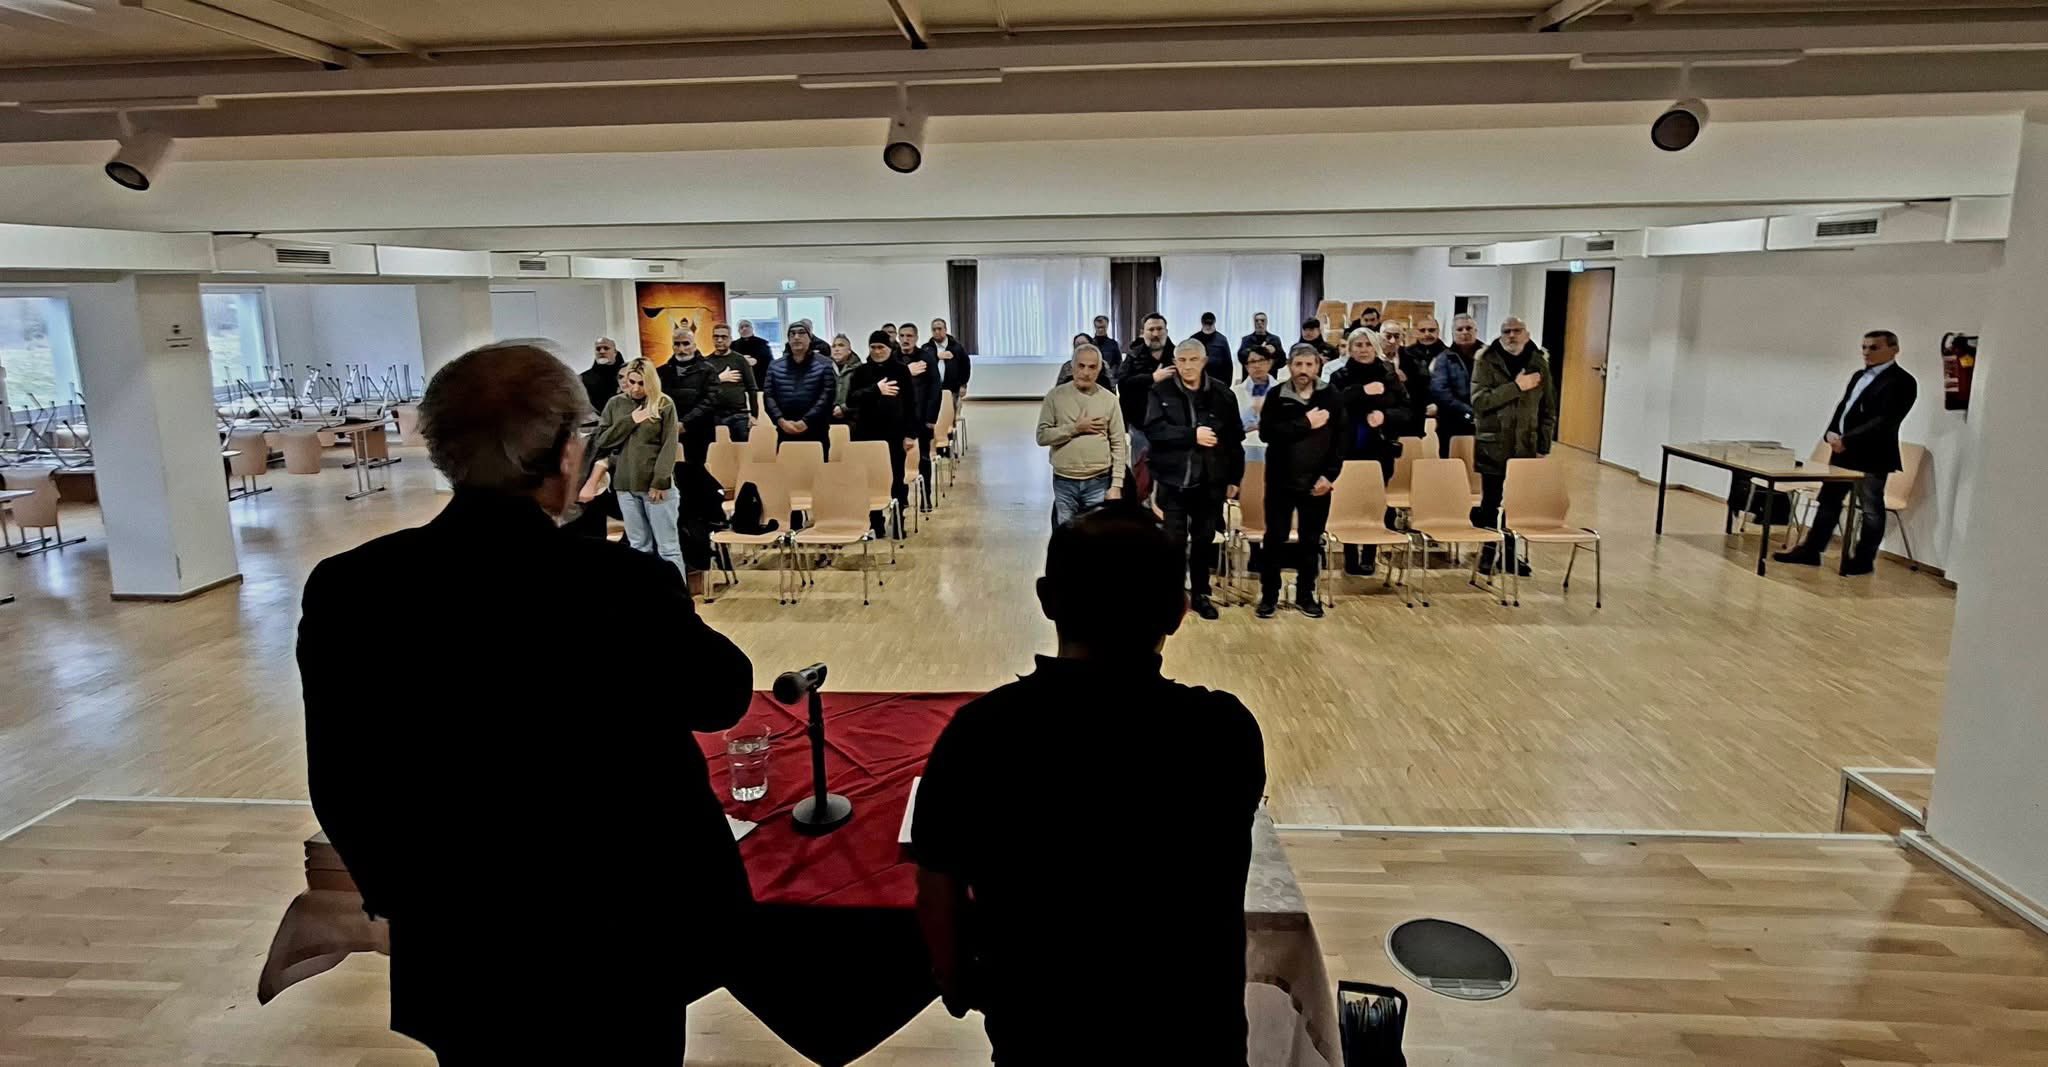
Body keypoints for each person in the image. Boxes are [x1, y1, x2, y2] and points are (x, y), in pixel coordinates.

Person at [299, 342, 753, 1063]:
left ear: (443, 452)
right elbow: (722, 694)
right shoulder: (619, 584)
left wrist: (414, 904)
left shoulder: (352, 588)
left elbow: (343, 783)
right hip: (620, 941)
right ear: (566, 452)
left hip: (462, 943)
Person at [912, 505, 1265, 1067]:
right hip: (1194, 1035)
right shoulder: (1224, 731)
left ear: (1046, 599)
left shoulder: (979, 733)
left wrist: (956, 982)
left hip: (1042, 1035)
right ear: (1178, 612)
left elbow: (937, 884)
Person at [1775, 330, 1919, 576]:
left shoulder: (1902, 381)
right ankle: (1811, 550)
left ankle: (1863, 560)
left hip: (1872, 455)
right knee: (1829, 501)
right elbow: (1844, 407)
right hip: (1843, 452)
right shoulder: (1859, 376)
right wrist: (1831, 433)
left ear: (1894, 349)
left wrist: (1848, 439)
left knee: (1871, 508)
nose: (1866, 352)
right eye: (1864, 347)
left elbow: (1885, 420)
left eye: (1874, 347)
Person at [1145, 338, 1245, 620]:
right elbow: (1154, 431)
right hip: (1173, 479)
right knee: (1173, 542)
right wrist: (1192, 435)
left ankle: (1201, 593)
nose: (1187, 366)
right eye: (1182, 360)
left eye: (1193, 360)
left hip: (1210, 481)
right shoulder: (1160, 391)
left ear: (1204, 362)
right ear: (1174, 362)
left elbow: (1234, 440)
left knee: (1203, 539)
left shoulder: (1223, 394)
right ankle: (1174, 594)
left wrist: (1235, 477)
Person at [1257, 344, 1346, 618]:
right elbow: (1267, 433)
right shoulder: (1276, 395)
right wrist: (1305, 423)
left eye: (1309, 365)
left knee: (1311, 541)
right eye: (1298, 365)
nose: (1303, 370)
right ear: (1289, 366)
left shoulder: (1331, 395)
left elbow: (1341, 440)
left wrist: (1330, 476)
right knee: (1275, 539)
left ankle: (1306, 595)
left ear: (1318, 366)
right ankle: (1269, 596)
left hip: (1317, 483)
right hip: (1281, 481)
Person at [1469, 316, 1557, 576]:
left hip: (1525, 444)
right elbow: (1480, 401)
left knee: (1516, 503)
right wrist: (1516, 387)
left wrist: (1543, 446)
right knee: (1491, 502)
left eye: (1517, 331)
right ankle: (1487, 552)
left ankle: (1509, 555)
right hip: (1493, 443)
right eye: (1506, 331)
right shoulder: (1485, 360)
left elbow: (1548, 408)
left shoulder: (1539, 362)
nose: (1511, 336)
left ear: (1527, 334)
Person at [584, 356, 684, 576]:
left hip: (655, 485)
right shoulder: (615, 404)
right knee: (639, 547)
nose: (636, 388)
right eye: (631, 382)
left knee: (668, 548)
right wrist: (631, 420)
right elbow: (602, 441)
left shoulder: (664, 403)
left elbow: (669, 445)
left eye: (641, 383)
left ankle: (678, 593)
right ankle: (645, 594)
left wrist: (660, 481)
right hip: (625, 486)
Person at [1328, 327, 1410, 575]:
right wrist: (1362, 391)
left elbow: (1406, 411)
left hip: (1379, 447)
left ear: (1375, 347)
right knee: (1350, 499)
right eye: (1358, 345)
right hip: (1348, 447)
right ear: (1350, 348)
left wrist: (1385, 416)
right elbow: (1333, 405)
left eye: (1367, 345)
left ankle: (1370, 554)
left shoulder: (1389, 375)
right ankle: (1350, 552)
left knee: (1374, 500)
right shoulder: (1340, 375)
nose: (1363, 350)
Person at [1037, 343, 1127, 525]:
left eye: (1092, 367)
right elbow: (1042, 436)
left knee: (1095, 534)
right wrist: (1076, 428)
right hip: (1064, 480)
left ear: (1099, 370)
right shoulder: (1055, 397)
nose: (1086, 372)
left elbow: (1119, 443)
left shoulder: (1109, 400)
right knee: (1066, 534)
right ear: (1072, 367)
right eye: (1081, 366)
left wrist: (1117, 484)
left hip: (1098, 480)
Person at [847, 329, 917, 534]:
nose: (877, 351)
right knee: (870, 479)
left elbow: (911, 404)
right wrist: (876, 390)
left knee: (896, 478)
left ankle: (898, 520)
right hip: (866, 434)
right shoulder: (861, 371)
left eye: (881, 347)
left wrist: (910, 434)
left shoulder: (901, 371)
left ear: (889, 348)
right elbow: (851, 399)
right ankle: (875, 522)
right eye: (873, 347)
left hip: (894, 434)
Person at [764, 322, 837, 455]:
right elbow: (769, 396)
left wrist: (806, 421)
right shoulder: (775, 366)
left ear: (810, 338)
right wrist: (781, 421)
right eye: (792, 334)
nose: (796, 337)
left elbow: (827, 396)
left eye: (801, 333)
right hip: (785, 429)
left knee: (817, 468)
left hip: (816, 430)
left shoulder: (825, 364)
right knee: (787, 467)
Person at [1117, 312, 1175, 479]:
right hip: (1140, 424)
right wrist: (1152, 378)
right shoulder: (1133, 355)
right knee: (1141, 470)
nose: (1155, 334)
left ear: (1166, 331)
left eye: (1159, 329)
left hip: (1170, 425)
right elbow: (1123, 383)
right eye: (1151, 329)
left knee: (1168, 471)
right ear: (1143, 332)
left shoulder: (1177, 356)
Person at [898, 322, 942, 512]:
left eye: (909, 336)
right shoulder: (894, 358)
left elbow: (935, 388)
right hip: (900, 418)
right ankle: (902, 498)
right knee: (898, 461)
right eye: (902, 336)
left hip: (922, 417)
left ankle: (926, 497)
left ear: (916, 338)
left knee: (923, 459)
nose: (905, 339)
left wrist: (931, 418)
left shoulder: (926, 358)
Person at [662, 324, 720, 465]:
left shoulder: (708, 370)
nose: (681, 349)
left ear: (694, 346)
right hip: (669, 429)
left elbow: (710, 400)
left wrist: (685, 423)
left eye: (686, 344)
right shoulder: (662, 372)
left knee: (697, 470)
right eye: (677, 344)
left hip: (699, 430)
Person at [1431, 313, 1483, 458]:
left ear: (1476, 331)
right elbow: (1440, 391)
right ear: (1453, 333)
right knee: (1451, 465)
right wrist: (1469, 412)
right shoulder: (1443, 359)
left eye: (1469, 328)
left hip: (1485, 423)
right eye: (1460, 329)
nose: (1464, 332)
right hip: (1452, 423)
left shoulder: (1489, 356)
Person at [703, 323, 760, 443]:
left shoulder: (740, 360)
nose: (719, 340)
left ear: (730, 339)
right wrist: (719, 379)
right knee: (715, 450)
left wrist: (755, 415)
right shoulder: (706, 362)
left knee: (742, 450)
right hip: (714, 415)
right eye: (716, 337)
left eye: (724, 337)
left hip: (739, 415)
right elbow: (701, 388)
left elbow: (752, 388)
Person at [1233, 346, 1281, 463]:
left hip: (1274, 451)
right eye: (1252, 362)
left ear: (1270, 363)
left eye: (1261, 360)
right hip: (1242, 450)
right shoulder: (1236, 392)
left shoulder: (1282, 392)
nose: (1257, 365)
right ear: (1246, 366)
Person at [928, 316, 971, 401]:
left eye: (939, 329)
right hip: (932, 390)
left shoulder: (957, 348)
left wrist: (963, 385)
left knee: (952, 409)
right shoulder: (926, 348)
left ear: (945, 329)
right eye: (934, 329)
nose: (937, 332)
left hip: (953, 390)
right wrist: (937, 357)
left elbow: (965, 367)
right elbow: (924, 364)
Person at [579, 336, 622, 413]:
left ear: (615, 352)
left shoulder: (627, 375)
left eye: (606, 348)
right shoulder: (583, 378)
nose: (602, 351)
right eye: (598, 349)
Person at [1238, 311, 1283, 381]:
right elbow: (1241, 358)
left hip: (1270, 380)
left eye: (1262, 320)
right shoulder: (1246, 340)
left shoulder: (1275, 340)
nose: (1259, 323)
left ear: (1266, 322)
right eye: (1257, 321)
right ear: (1254, 323)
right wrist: (1259, 350)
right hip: (1250, 380)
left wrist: (1274, 353)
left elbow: (1282, 361)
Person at [731, 319, 775, 384]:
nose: (744, 329)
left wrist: (756, 361)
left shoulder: (762, 343)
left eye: (747, 326)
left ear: (752, 328)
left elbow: (770, 362)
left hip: (760, 379)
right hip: (740, 380)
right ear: (738, 331)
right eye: (741, 327)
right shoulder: (733, 345)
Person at [1195, 311, 1233, 384]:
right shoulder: (1194, 339)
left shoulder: (1222, 340)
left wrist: (1227, 384)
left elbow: (1228, 364)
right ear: (1202, 323)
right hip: (1198, 380)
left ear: (1214, 322)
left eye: (1210, 324)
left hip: (1218, 380)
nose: (1208, 326)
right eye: (1206, 324)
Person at [828, 333, 859, 422]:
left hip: (852, 419)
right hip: (827, 418)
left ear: (849, 350)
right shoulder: (825, 368)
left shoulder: (859, 369)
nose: (836, 349)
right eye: (834, 346)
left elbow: (861, 396)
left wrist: (844, 409)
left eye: (841, 345)